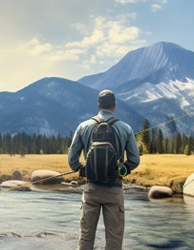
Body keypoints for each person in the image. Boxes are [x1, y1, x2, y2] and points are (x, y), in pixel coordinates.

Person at [67, 89, 140, 250]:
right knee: (114, 240)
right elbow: (135, 160)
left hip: (91, 189)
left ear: (98, 105)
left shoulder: (83, 126)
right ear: (114, 105)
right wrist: (122, 169)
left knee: (86, 238)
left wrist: (83, 170)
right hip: (114, 190)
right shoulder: (125, 128)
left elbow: (72, 160)